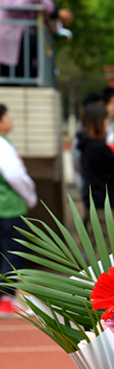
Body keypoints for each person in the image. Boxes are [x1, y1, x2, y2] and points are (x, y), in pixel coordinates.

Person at [0, 103, 37, 316]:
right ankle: (6, 299)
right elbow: (16, 176)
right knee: (13, 253)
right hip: (9, 208)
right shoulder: (3, 145)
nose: (10, 120)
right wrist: (30, 197)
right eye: (7, 116)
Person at [76, 101, 114, 243]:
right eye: (106, 120)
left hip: (93, 199)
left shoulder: (85, 144)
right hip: (103, 203)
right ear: (99, 122)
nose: (107, 123)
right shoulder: (98, 147)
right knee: (106, 249)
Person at [0, 0, 55, 80]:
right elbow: (10, 6)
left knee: (27, 69)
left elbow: (50, 7)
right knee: (8, 70)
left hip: (27, 35)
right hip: (9, 35)